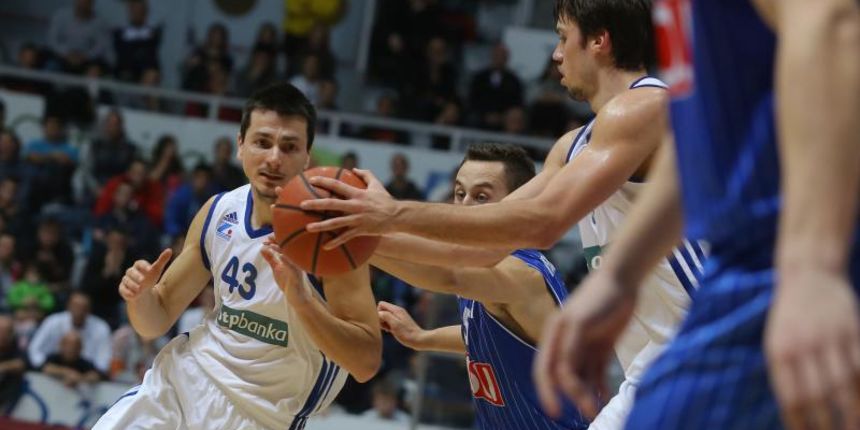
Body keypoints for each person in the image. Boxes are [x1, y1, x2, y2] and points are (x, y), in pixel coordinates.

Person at [301, 1, 697, 427]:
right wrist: (350, 231)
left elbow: (543, 222)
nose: (556, 54)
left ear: (599, 41)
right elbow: (473, 250)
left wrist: (391, 213)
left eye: (564, 37)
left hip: (704, 354)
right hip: (653, 373)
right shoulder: (571, 148)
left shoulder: (643, 107)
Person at [535, 0, 860, 429]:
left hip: (794, 258)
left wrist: (813, 266)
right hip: (756, 265)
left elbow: (835, 25)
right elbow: (703, 141)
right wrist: (619, 275)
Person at [93, 83, 381, 429]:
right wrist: (139, 298)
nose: (274, 158)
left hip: (261, 416)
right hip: (183, 383)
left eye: (289, 147)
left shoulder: (331, 234)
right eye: (262, 142)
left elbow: (365, 363)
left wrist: (303, 300)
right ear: (240, 146)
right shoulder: (219, 210)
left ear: (307, 157)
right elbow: (154, 321)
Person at [375, 143, 587, 429]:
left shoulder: (518, 271)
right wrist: (423, 337)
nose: (463, 208)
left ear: (518, 205)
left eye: (481, 197)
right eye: (459, 194)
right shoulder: (490, 271)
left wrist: (360, 242)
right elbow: (482, 333)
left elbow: (445, 276)